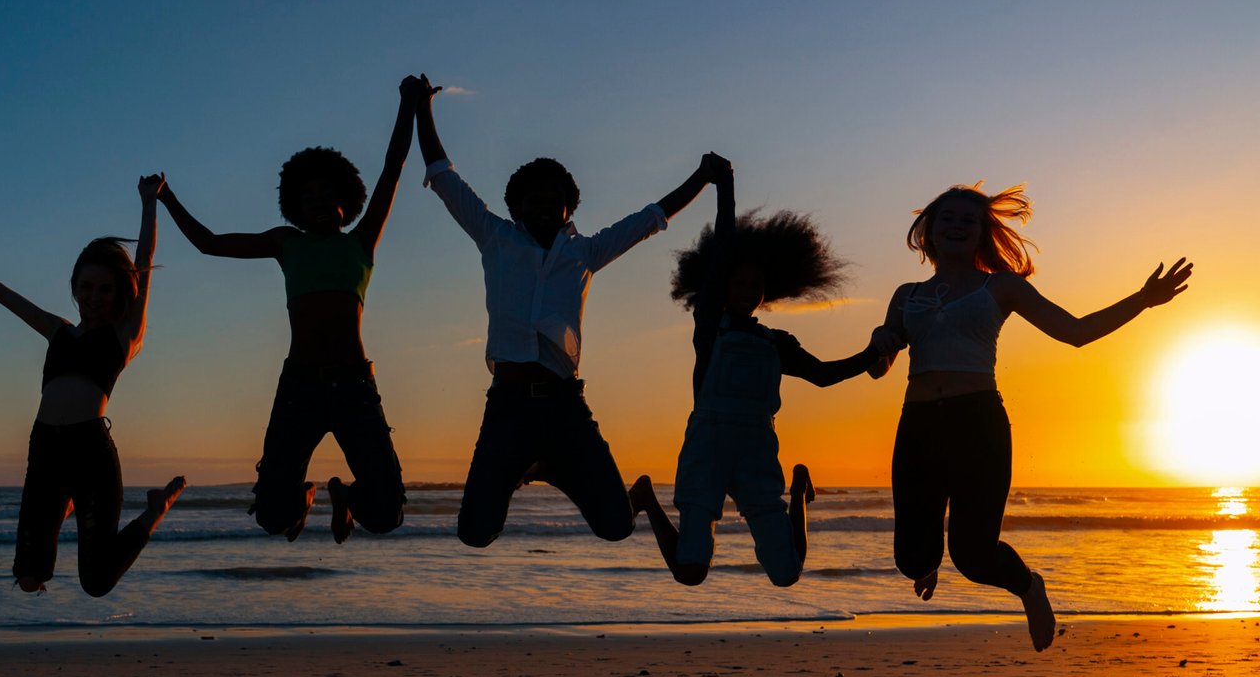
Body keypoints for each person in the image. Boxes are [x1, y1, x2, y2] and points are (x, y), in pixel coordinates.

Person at [871, 181, 1192, 651]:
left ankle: (1029, 587)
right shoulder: (906, 295)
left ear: (982, 233)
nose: (957, 226)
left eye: (968, 220)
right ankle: (927, 560)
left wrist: (1142, 300)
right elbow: (881, 367)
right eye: (947, 219)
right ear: (929, 232)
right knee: (911, 560)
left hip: (976, 423)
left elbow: (1077, 332)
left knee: (975, 557)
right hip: (918, 425)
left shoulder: (1000, 287)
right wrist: (882, 340)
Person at [412, 81, 714, 546]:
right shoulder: (496, 237)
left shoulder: (585, 254)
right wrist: (422, 107)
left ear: (570, 207)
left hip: (563, 405)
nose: (546, 210)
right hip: (508, 405)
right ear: (516, 205)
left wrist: (702, 177)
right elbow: (443, 175)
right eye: (536, 201)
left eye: (556, 202)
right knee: (474, 533)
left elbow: (651, 218)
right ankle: (529, 463)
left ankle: (552, 465)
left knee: (616, 527)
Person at [154, 76, 427, 542]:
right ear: (293, 209)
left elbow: (393, 167)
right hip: (298, 387)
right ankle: (302, 498)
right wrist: (166, 197)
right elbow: (209, 244)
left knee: (386, 514)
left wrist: (410, 106)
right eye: (308, 198)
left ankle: (345, 497)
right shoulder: (287, 244)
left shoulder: (362, 242)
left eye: (328, 196)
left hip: (354, 387)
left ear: (347, 203)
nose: (319, 203)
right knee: (270, 517)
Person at [0, 175, 184, 596]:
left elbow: (144, 262)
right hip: (46, 450)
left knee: (97, 582)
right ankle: (65, 502)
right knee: (29, 577)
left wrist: (149, 203)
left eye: (104, 289)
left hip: (90, 453)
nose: (94, 297)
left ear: (119, 292)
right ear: (74, 287)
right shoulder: (58, 331)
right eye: (86, 287)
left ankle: (155, 510)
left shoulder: (124, 335)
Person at [630, 156, 890, 587]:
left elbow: (823, 375)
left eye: (755, 286)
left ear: (765, 294)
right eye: (739, 283)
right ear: (725, 286)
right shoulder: (710, 324)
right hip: (707, 446)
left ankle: (799, 485)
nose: (747, 291)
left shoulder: (777, 343)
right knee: (690, 570)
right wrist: (724, 187)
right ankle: (643, 495)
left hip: (756, 449)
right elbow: (725, 246)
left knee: (786, 573)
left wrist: (869, 354)